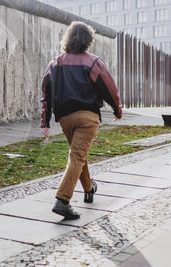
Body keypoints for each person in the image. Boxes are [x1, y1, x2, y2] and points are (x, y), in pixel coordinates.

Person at [40, 21, 122, 220]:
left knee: (78, 154)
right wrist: (117, 109)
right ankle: (62, 200)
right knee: (77, 156)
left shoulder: (55, 63)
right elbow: (109, 88)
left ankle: (89, 189)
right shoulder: (93, 62)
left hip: (65, 119)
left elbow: (46, 93)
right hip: (88, 118)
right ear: (88, 40)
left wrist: (45, 122)